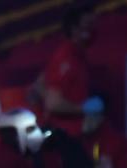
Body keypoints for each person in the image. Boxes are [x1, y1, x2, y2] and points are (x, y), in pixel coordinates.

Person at [36, 3, 95, 138]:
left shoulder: (78, 56)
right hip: (65, 138)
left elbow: (40, 84)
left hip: (76, 134)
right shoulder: (65, 57)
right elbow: (53, 103)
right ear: (74, 29)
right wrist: (84, 109)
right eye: (88, 26)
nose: (92, 31)